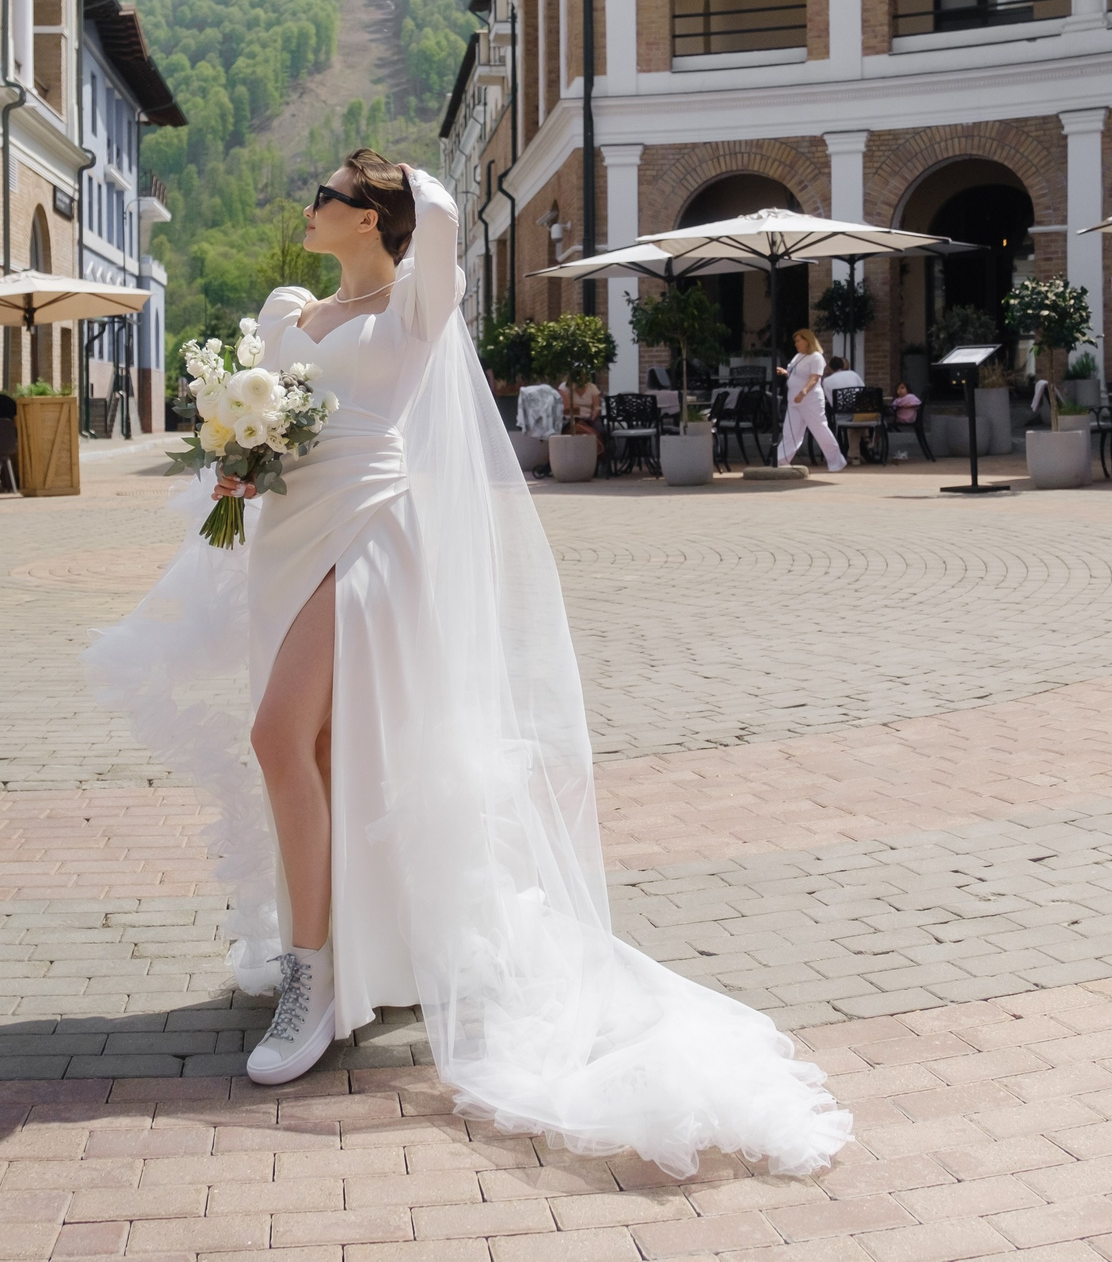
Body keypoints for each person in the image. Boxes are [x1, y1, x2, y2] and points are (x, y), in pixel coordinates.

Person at [84, 149, 850, 1173]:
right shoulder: (284, 313)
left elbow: (440, 216)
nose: (308, 206)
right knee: (315, 750)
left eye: (329, 196)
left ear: (370, 218)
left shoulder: (417, 306)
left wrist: (405, 173)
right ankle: (344, 952)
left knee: (275, 738)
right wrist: (238, 457)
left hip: (368, 532)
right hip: (283, 539)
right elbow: (267, 424)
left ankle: (311, 983)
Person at [772, 328, 846, 471]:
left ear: (808, 341)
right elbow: (798, 375)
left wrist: (803, 392)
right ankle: (781, 460)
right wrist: (786, 373)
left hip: (810, 400)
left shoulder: (816, 357)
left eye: (799, 341)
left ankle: (836, 461)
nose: (796, 344)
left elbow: (814, 378)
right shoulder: (798, 356)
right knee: (790, 431)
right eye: (796, 341)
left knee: (820, 430)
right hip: (794, 400)